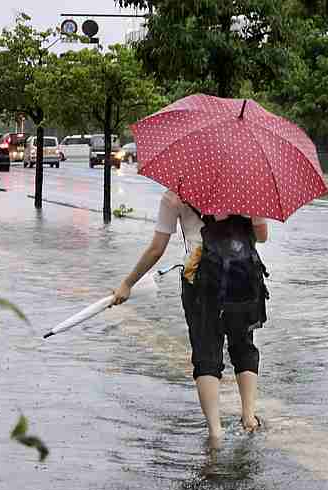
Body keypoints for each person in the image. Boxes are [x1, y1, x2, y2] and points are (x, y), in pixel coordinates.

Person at [112, 189, 269, 451]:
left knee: (206, 352)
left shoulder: (175, 193)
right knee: (243, 345)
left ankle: (216, 431)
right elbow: (262, 237)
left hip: (200, 281)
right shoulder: (249, 185)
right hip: (244, 280)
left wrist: (127, 284)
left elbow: (156, 249)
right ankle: (249, 416)